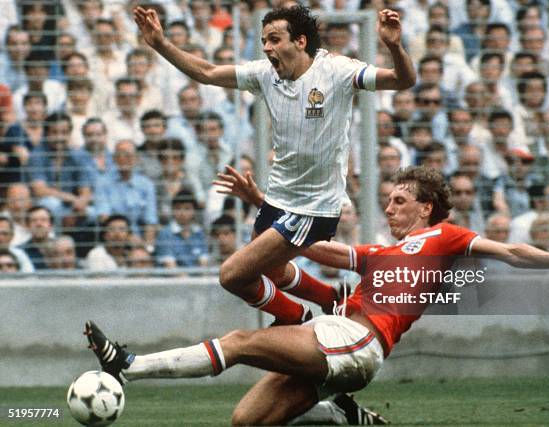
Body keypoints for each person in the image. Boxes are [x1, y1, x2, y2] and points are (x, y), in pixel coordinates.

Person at [86, 166, 549, 426]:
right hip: (341, 341)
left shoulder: (445, 237)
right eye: (391, 200)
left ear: (426, 209)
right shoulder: (382, 252)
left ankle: (128, 365)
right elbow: (316, 245)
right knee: (245, 421)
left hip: (357, 339)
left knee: (242, 340)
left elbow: (508, 249)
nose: (392, 207)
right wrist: (261, 202)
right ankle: (341, 415)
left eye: (401, 201)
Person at [134, 5, 416, 324]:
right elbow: (208, 73)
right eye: (264, 40)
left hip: (313, 206)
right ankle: (331, 299)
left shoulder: (337, 70)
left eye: (274, 39)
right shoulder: (266, 74)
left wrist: (393, 46)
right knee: (272, 271)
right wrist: (159, 43)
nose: (266, 47)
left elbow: (401, 80)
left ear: (300, 41)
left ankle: (296, 317)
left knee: (232, 275)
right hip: (278, 197)